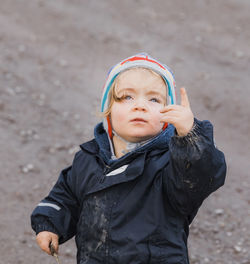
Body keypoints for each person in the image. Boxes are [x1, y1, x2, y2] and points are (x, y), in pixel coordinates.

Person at [31, 53, 226, 264]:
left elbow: (202, 176)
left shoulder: (172, 162)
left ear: (168, 115)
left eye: (153, 99)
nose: (140, 105)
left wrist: (190, 136)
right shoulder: (89, 159)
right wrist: (49, 224)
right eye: (127, 97)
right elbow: (66, 197)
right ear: (108, 110)